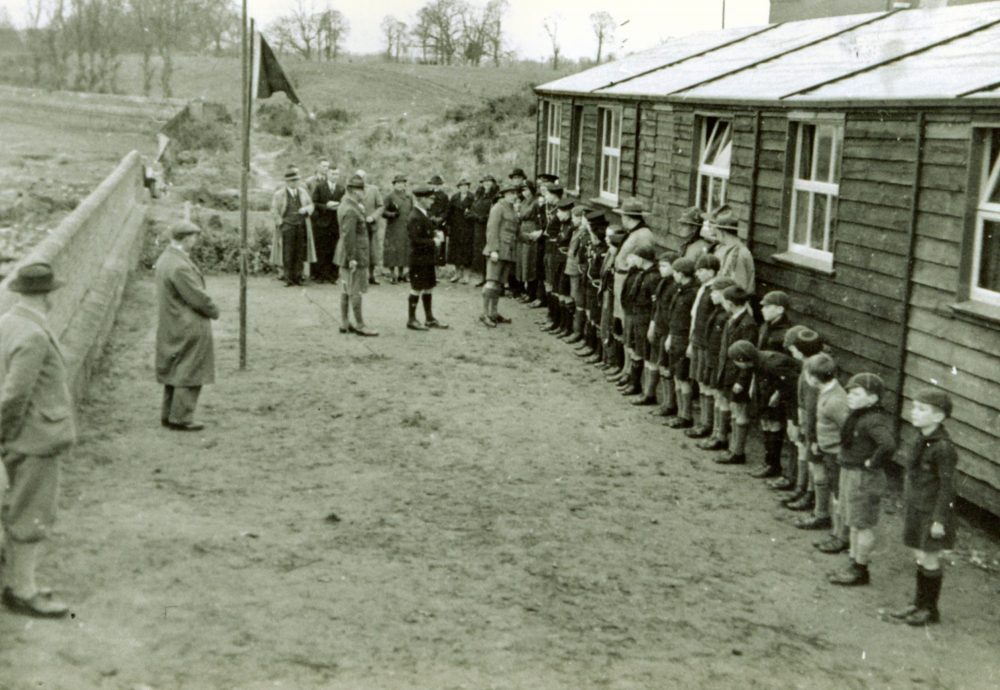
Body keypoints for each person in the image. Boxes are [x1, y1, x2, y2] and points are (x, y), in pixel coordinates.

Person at [0, 262, 76, 618]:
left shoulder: (9, 323)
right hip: (34, 437)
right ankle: (22, 589)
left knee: (18, 509)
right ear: (46, 295)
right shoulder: (32, 334)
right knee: (32, 514)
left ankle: (17, 582)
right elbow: (15, 395)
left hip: (22, 436)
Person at [890, 388, 958, 626]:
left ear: (938, 417)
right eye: (914, 407)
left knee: (930, 558)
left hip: (932, 513)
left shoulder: (944, 448)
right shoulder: (921, 439)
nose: (914, 413)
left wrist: (939, 520)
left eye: (921, 409)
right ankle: (918, 604)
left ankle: (930, 610)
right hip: (917, 508)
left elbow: (948, 487)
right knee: (920, 554)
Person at [827, 373, 895, 587]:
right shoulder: (858, 415)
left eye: (857, 393)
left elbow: (888, 445)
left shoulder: (873, 419)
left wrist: (872, 463)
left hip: (863, 477)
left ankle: (861, 569)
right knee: (853, 522)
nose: (850, 397)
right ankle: (853, 563)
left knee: (861, 524)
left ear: (873, 399)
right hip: (850, 472)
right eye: (849, 392)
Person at [154, 221, 220, 432]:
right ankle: (181, 417)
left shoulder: (166, 258)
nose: (195, 240)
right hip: (188, 322)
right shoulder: (180, 266)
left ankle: (169, 414)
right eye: (193, 237)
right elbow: (196, 297)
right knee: (190, 369)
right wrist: (213, 309)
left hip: (173, 321)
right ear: (185, 239)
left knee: (175, 367)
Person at [797, 352, 848, 542]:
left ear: (813, 377)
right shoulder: (825, 391)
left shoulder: (835, 401)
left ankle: (839, 534)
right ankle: (823, 517)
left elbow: (848, 430)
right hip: (824, 446)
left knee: (838, 493)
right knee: (822, 479)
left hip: (835, 453)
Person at [781, 327, 826, 512]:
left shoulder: (814, 370)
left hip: (813, 422)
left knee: (812, 460)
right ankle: (801, 488)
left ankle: (809, 493)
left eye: (793, 349)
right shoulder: (807, 366)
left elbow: (812, 402)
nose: (791, 352)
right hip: (804, 418)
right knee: (803, 452)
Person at [712, 285, 758, 465]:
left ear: (730, 303)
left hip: (738, 375)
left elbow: (748, 357)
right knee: (730, 406)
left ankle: (738, 452)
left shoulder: (748, 325)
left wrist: (741, 380)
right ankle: (726, 443)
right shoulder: (733, 319)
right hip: (727, 371)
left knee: (740, 410)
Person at [696, 277, 737, 452]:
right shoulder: (717, 311)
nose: (711, 295)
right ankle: (712, 429)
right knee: (713, 393)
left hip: (719, 361)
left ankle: (720, 435)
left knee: (721, 397)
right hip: (711, 357)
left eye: (715, 292)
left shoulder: (727, 316)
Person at [334, 174, 378, 337]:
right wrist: (352, 258)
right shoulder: (351, 209)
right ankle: (360, 325)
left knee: (346, 289)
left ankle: (345, 323)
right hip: (353, 254)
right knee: (355, 290)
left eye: (362, 189)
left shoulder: (347, 204)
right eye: (359, 189)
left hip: (347, 253)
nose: (362, 192)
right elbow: (349, 235)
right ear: (351, 190)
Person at [684, 254, 721, 438]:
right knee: (700, 381)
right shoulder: (703, 288)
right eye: (697, 270)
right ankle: (704, 422)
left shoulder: (715, 291)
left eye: (701, 270)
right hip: (698, 340)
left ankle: (709, 424)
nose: (697, 273)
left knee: (708, 384)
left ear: (712, 272)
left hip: (707, 345)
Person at [662, 257, 699, 427]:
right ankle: (678, 412)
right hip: (675, 336)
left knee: (683, 378)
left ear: (682, 274)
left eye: (676, 272)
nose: (674, 275)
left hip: (684, 339)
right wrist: (670, 335)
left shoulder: (692, 293)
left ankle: (686, 416)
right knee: (677, 376)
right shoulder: (680, 289)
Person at [406, 185, 448, 331]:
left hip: (427, 258)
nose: (432, 201)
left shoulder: (423, 213)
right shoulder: (415, 216)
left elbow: (424, 233)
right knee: (416, 288)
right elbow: (415, 240)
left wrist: (435, 234)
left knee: (429, 287)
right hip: (418, 259)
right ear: (421, 199)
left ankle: (429, 319)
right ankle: (411, 320)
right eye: (430, 198)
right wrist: (434, 241)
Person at [480, 182, 520, 328]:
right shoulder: (498, 207)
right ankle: (484, 314)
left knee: (498, 284)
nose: (514, 196)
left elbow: (514, 231)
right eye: (510, 193)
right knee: (491, 282)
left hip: (508, 251)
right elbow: (491, 229)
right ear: (504, 194)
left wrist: (529, 236)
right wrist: (493, 250)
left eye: (515, 194)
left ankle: (493, 313)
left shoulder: (512, 209)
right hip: (498, 250)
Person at [270, 166, 317, 286]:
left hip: (301, 225)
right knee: (287, 252)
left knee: (300, 252)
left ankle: (298, 277)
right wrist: (279, 221)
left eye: (296, 180)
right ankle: (288, 278)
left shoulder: (303, 192)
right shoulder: (279, 194)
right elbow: (274, 210)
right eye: (292, 181)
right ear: (287, 182)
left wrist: (305, 209)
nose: (294, 183)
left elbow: (311, 205)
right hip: (287, 226)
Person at [645, 251, 678, 414]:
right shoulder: (662, 282)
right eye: (660, 266)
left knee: (666, 368)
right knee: (656, 362)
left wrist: (670, 334)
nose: (661, 269)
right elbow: (656, 306)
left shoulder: (675, 287)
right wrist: (652, 324)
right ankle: (653, 396)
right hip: (658, 327)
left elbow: (675, 315)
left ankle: (670, 404)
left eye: (665, 266)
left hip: (667, 330)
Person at [307, 159, 344, 283]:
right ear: (328, 174)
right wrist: (326, 206)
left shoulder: (341, 189)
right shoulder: (320, 187)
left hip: (335, 223)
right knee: (321, 249)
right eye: (333, 174)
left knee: (334, 249)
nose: (335, 177)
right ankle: (320, 275)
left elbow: (344, 204)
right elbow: (314, 203)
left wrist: (338, 205)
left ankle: (333, 275)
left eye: (337, 174)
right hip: (322, 223)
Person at [711, 206, 755, 294]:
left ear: (721, 232)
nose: (713, 233)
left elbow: (738, 289)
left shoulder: (737, 253)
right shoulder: (724, 247)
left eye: (715, 230)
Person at [382, 174, 412, 284]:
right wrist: (393, 214)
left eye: (402, 183)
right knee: (392, 251)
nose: (400, 185)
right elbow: (382, 211)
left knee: (403, 250)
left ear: (405, 185)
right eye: (398, 183)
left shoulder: (409, 197)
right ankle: (392, 274)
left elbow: (412, 211)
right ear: (394, 185)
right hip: (393, 228)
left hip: (405, 228)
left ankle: (401, 274)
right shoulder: (389, 197)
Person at [356, 170, 385, 285]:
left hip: (371, 225)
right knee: (359, 251)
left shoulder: (374, 189)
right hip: (358, 224)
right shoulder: (352, 190)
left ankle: (371, 275)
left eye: (362, 177)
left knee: (372, 252)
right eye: (358, 177)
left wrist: (373, 217)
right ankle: (359, 277)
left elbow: (380, 206)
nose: (361, 179)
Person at [470, 175, 497, 284]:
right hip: (478, 227)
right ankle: (483, 276)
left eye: (489, 182)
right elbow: (471, 209)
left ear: (493, 183)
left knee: (489, 250)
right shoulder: (479, 194)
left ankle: (491, 278)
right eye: (484, 182)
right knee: (479, 251)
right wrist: (474, 216)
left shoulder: (495, 196)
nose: (486, 184)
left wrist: (482, 218)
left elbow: (493, 212)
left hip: (488, 226)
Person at [447, 178, 475, 284]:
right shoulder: (454, 197)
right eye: (462, 186)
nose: (464, 188)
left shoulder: (472, 197)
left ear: (468, 187)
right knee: (455, 252)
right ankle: (457, 273)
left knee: (467, 252)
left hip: (468, 228)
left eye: (466, 186)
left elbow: (475, 211)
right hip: (456, 228)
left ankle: (466, 275)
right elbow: (449, 212)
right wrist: (449, 226)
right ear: (459, 187)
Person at [428, 174, 450, 270]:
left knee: (439, 246)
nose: (435, 186)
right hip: (429, 224)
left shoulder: (444, 196)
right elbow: (426, 208)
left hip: (440, 225)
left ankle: (437, 268)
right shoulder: (428, 195)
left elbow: (447, 210)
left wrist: (441, 218)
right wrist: (431, 217)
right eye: (434, 184)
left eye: (438, 185)